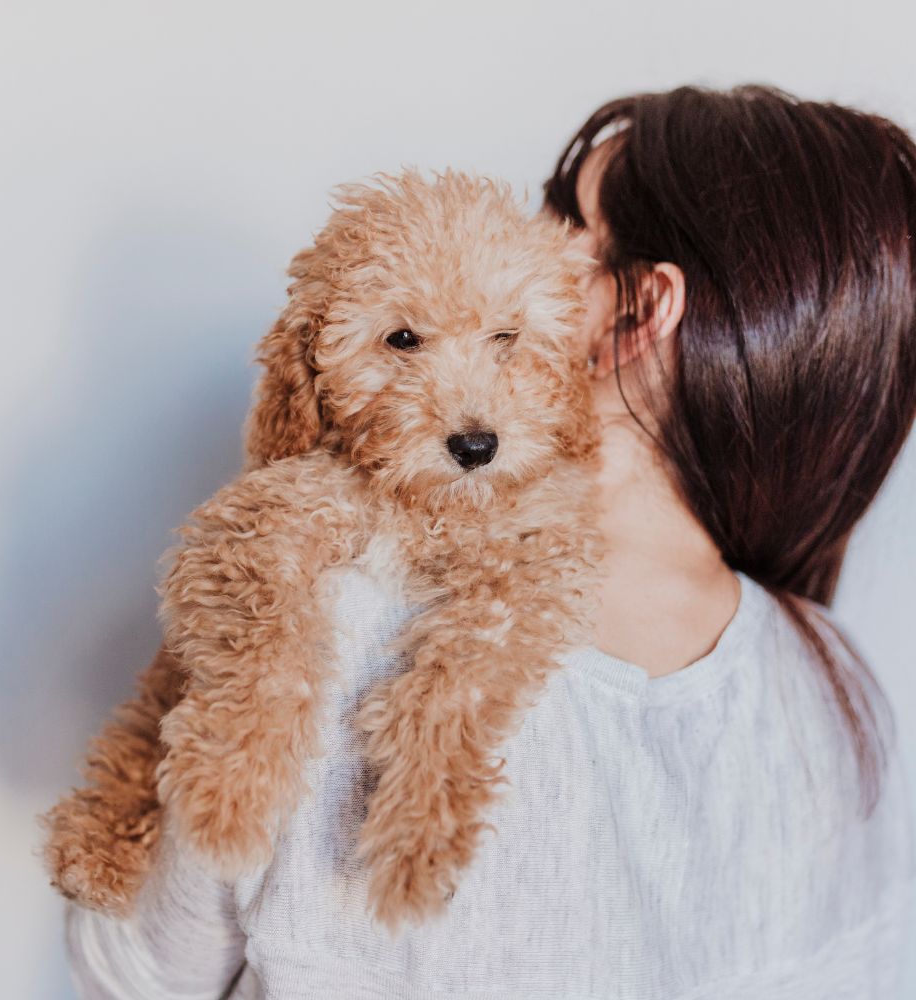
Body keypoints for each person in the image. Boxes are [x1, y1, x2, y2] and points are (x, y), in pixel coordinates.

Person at [62, 85, 916, 999]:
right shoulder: (831, 689)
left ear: (640, 314)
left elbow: (136, 972)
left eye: (560, 214)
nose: (519, 225)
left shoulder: (339, 626)